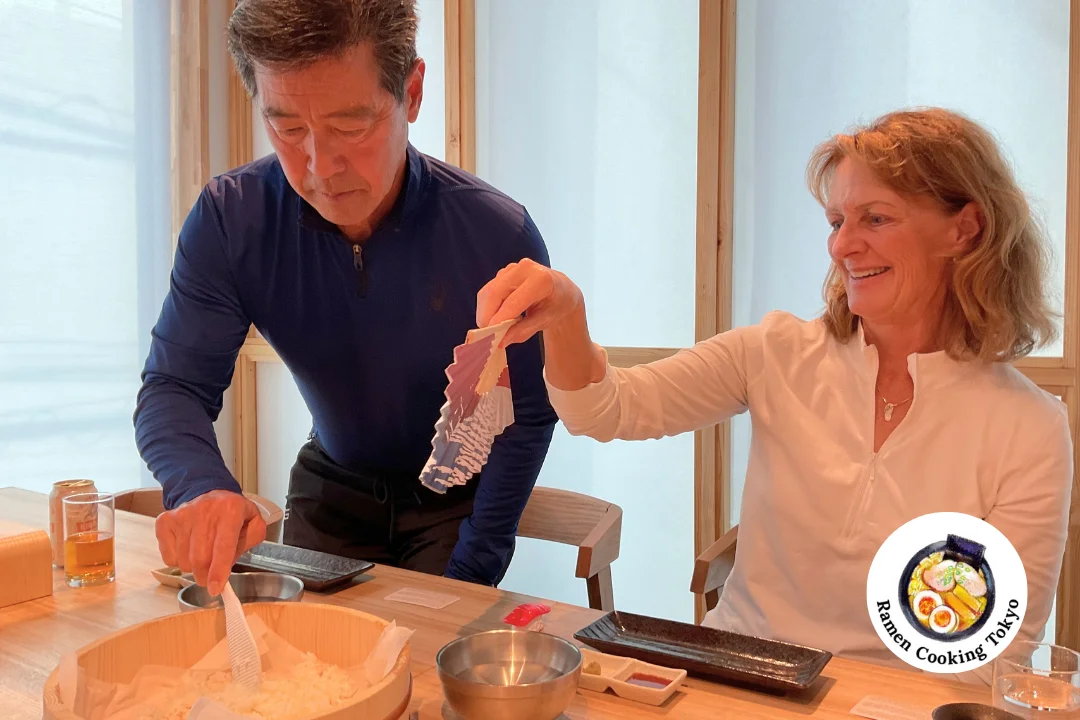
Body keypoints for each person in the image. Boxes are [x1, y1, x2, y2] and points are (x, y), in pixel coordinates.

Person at [477, 108, 1073, 679]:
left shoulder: (1028, 425)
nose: (842, 247)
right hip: (737, 671)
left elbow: (997, 652)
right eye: (837, 222)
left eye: (876, 218)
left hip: (892, 701)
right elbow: (603, 410)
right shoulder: (776, 353)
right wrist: (566, 314)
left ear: (963, 229)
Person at [135, 0, 557, 598]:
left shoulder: (496, 234)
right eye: (286, 127)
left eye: (351, 126)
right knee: (306, 668)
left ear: (411, 93)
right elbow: (174, 386)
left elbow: (530, 415)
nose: (319, 167)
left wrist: (473, 566)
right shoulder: (233, 221)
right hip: (330, 487)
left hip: (452, 500)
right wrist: (201, 487)